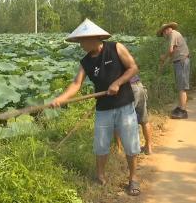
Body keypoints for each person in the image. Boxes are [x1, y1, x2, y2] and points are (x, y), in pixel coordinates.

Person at [51, 18, 141, 196]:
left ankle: (133, 179)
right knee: (100, 145)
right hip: (103, 109)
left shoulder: (116, 48)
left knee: (131, 145)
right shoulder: (85, 62)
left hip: (124, 105)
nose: (80, 45)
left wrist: (117, 82)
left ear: (93, 38)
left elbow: (133, 68)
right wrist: (61, 99)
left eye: (81, 41)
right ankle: (100, 175)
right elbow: (76, 84)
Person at [157, 22, 190, 119]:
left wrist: (164, 57)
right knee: (180, 85)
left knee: (181, 86)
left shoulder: (173, 34)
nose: (163, 36)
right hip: (179, 61)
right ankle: (180, 107)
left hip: (182, 61)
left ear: (166, 30)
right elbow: (174, 51)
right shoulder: (175, 35)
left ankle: (183, 111)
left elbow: (170, 50)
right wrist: (167, 61)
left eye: (163, 34)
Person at [116, 75, 153, 154]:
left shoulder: (110, 64)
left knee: (118, 119)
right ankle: (148, 147)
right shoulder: (125, 62)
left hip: (129, 88)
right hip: (139, 86)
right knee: (144, 120)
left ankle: (119, 149)